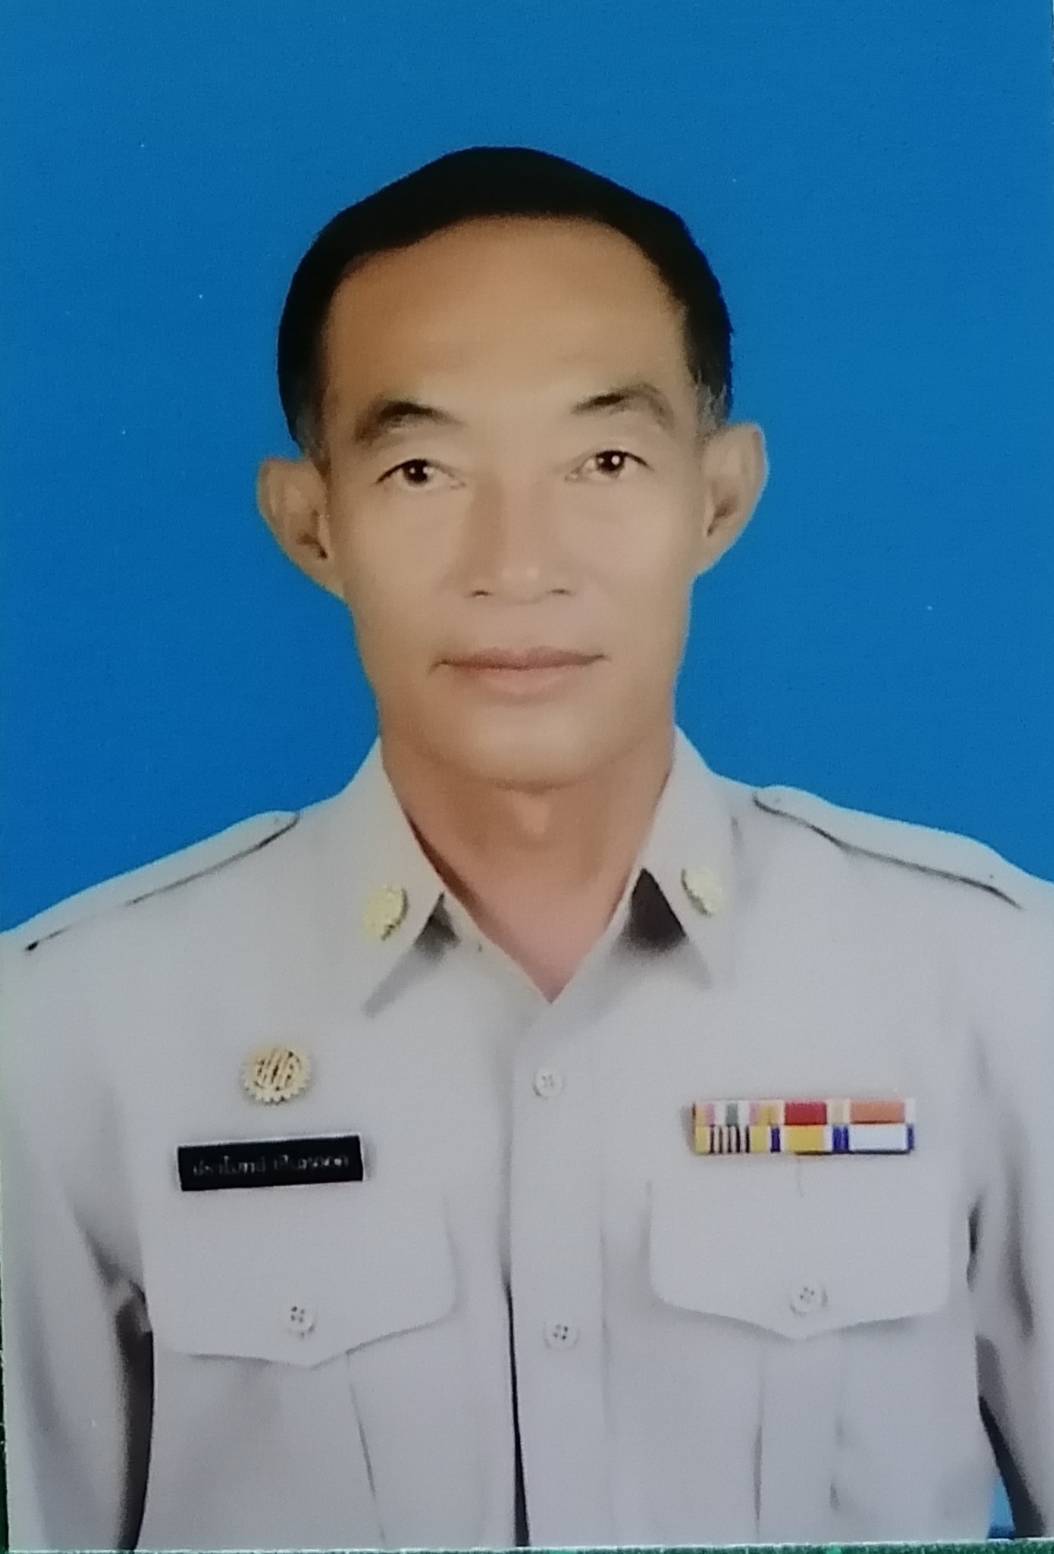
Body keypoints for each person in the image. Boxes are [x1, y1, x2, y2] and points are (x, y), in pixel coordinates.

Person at [1, 145, 1051, 1552]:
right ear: (313, 524)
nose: (517, 562)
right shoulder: (69, 1035)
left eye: (604, 459)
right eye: (423, 467)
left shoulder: (993, 988)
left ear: (719, 498)